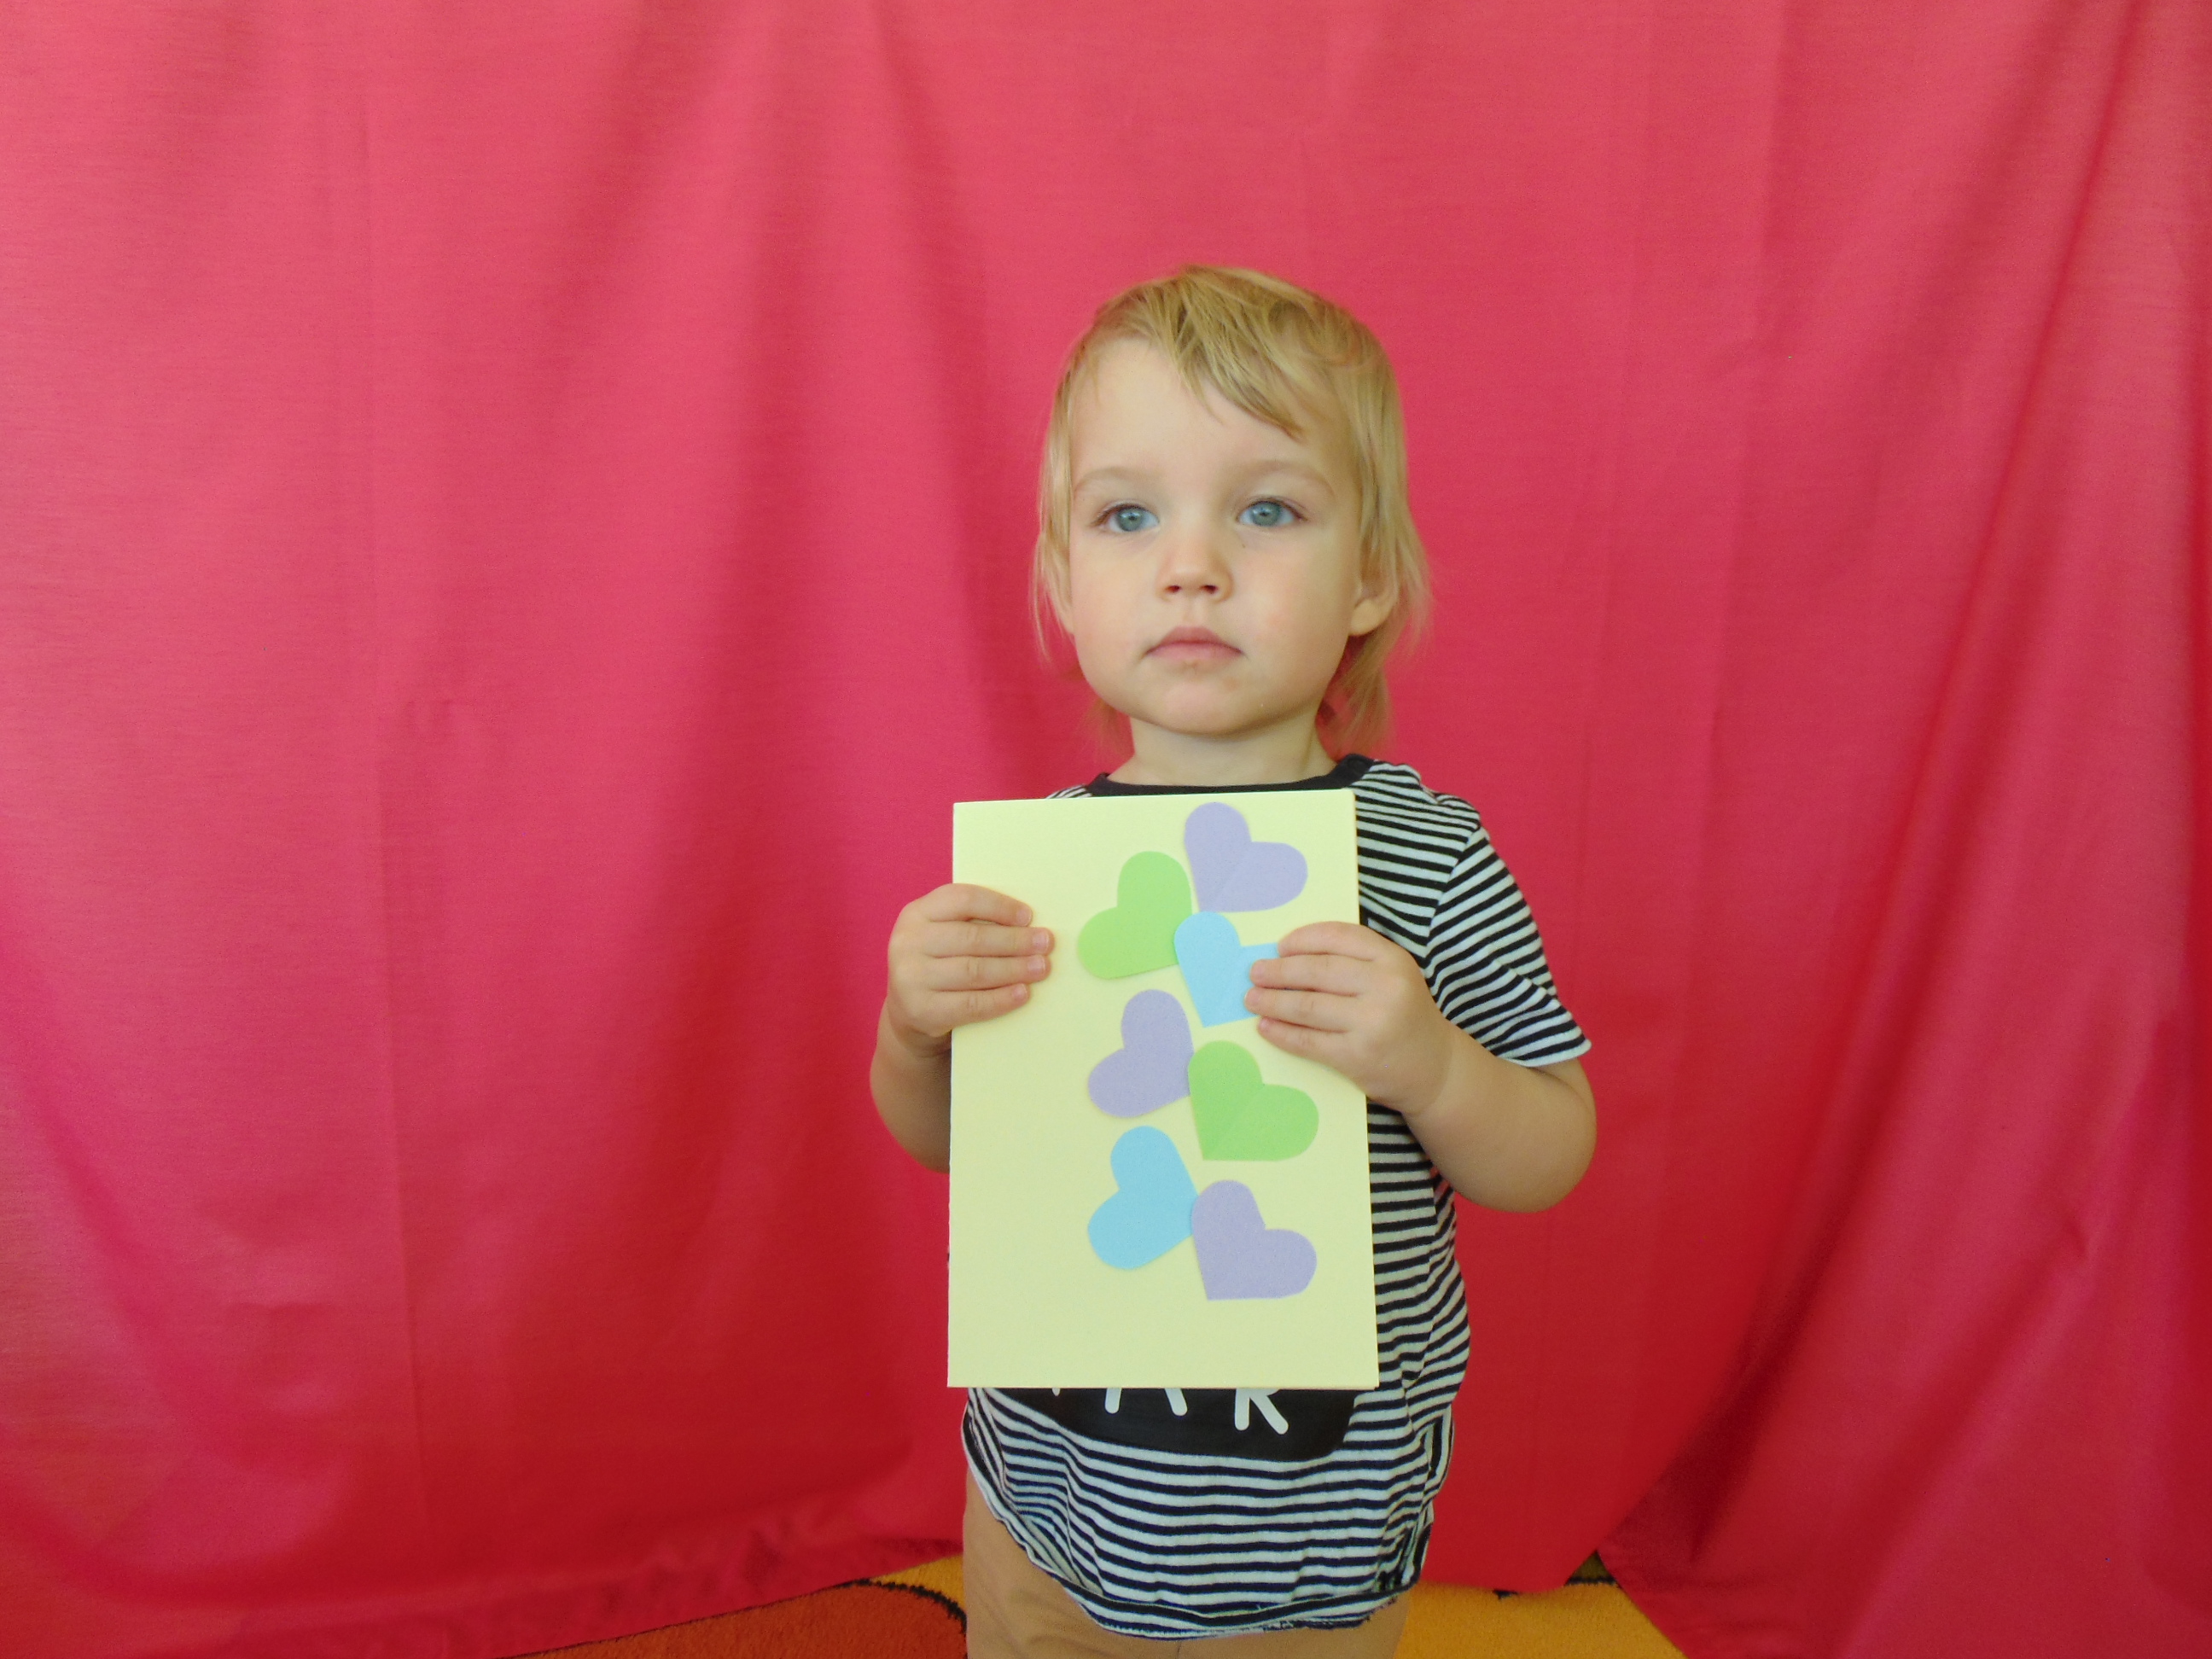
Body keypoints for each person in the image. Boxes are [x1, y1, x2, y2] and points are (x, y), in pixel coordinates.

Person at [871, 266, 1596, 1656]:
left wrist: (1432, 1067)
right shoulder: (1037, 877)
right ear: (1063, 582)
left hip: (1313, 1560)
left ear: (1369, 576)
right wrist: (912, 1034)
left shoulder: (1430, 859)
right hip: (1045, 1517)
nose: (1191, 563)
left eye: (1267, 510)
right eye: (1127, 515)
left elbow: (1552, 1148)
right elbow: (953, 1145)